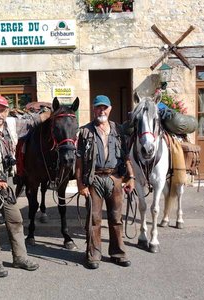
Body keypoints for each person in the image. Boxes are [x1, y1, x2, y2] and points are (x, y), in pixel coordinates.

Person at [0, 95, 49, 277]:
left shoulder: (13, 124)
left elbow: (35, 120)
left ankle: (20, 258)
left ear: (7, 111)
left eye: (2, 110)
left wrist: (51, 112)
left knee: (15, 219)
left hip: (6, 181)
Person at [75, 95, 135, 269]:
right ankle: (93, 255)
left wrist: (130, 177)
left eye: (105, 108)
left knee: (116, 218)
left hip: (115, 178)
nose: (102, 111)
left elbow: (126, 156)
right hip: (94, 180)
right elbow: (78, 161)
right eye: (98, 108)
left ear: (110, 109)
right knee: (94, 219)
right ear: (94, 110)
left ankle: (118, 253)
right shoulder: (85, 131)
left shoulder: (118, 130)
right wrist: (80, 184)